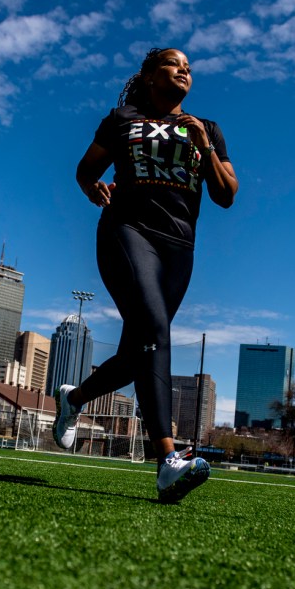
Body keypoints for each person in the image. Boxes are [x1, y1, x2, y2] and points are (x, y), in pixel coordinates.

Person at [52, 47, 238, 503]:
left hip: (179, 247)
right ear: (151, 75)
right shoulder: (122, 119)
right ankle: (167, 462)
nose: (184, 71)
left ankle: (73, 399)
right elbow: (85, 168)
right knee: (156, 331)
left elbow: (227, 194)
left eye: (190, 68)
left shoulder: (206, 128)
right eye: (174, 64)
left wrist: (206, 147)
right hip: (127, 230)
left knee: (141, 351)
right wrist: (92, 187)